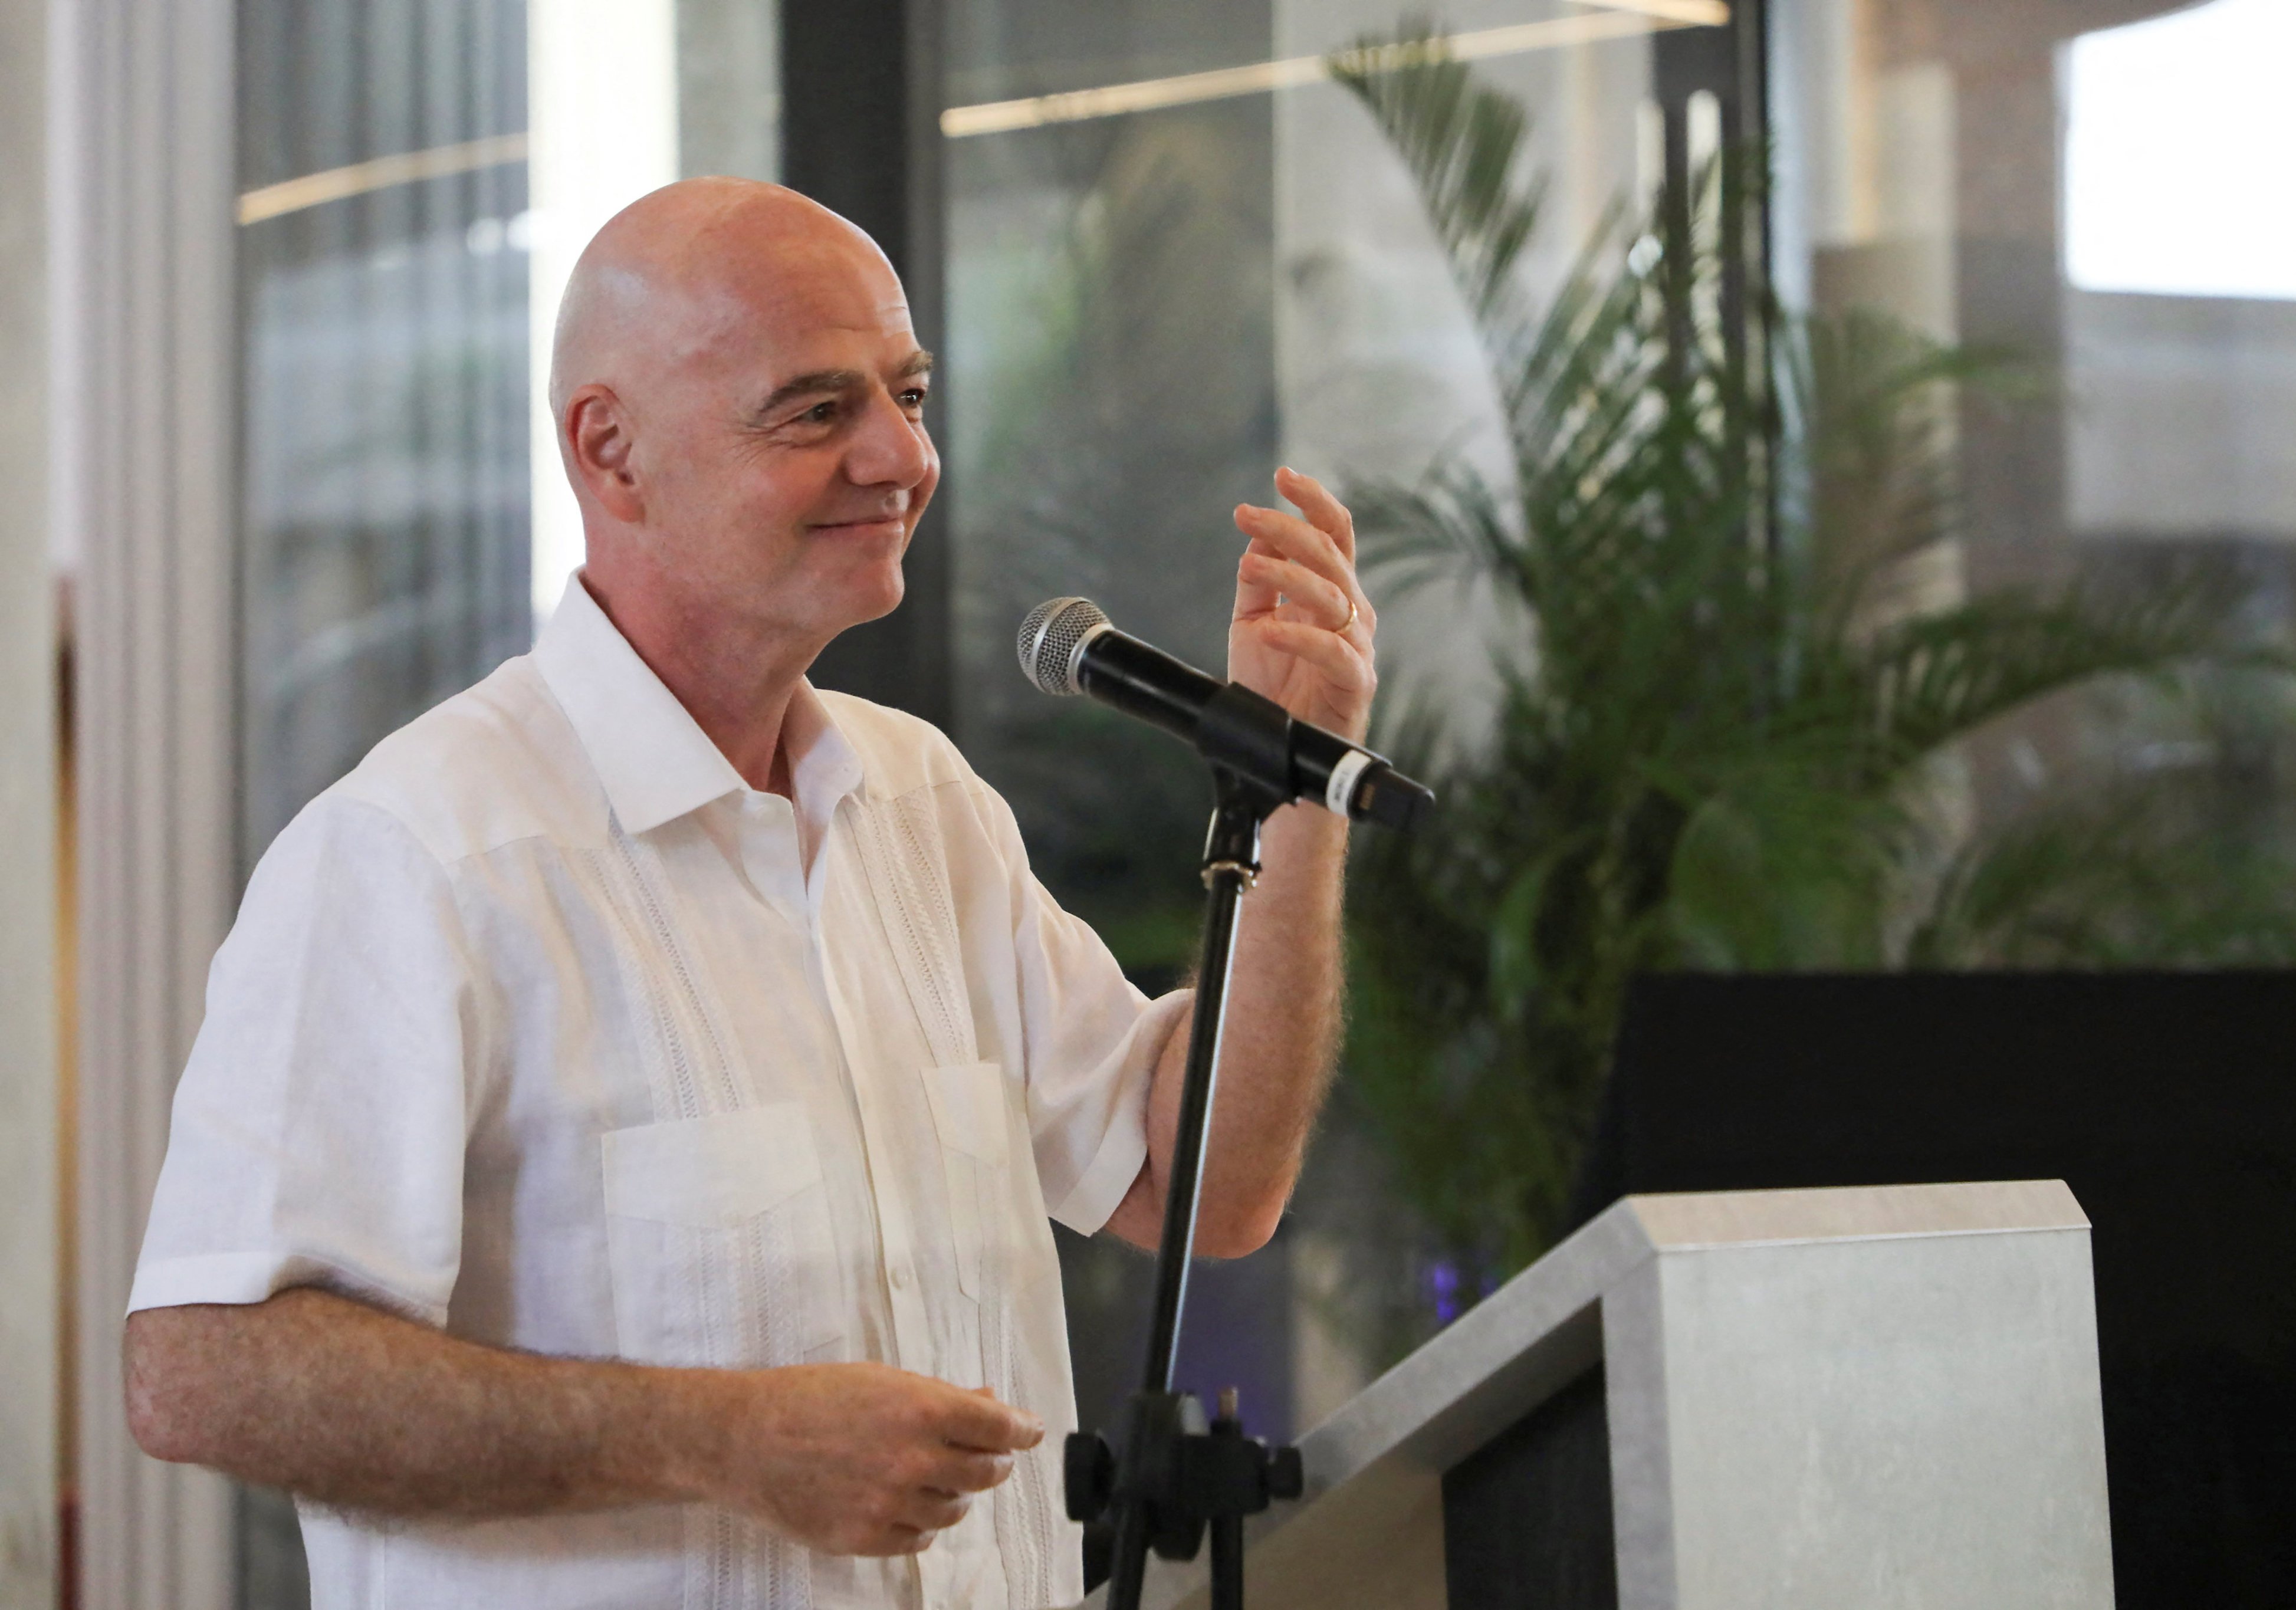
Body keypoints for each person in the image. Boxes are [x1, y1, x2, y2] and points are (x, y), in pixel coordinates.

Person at [120, 178, 1375, 1610]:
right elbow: (208, 1371)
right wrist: (719, 1441)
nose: (900, 455)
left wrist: (1291, 786)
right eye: (815, 411)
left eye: (907, 393)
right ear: (613, 451)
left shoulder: (926, 808)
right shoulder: (419, 852)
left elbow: (1201, 1185)